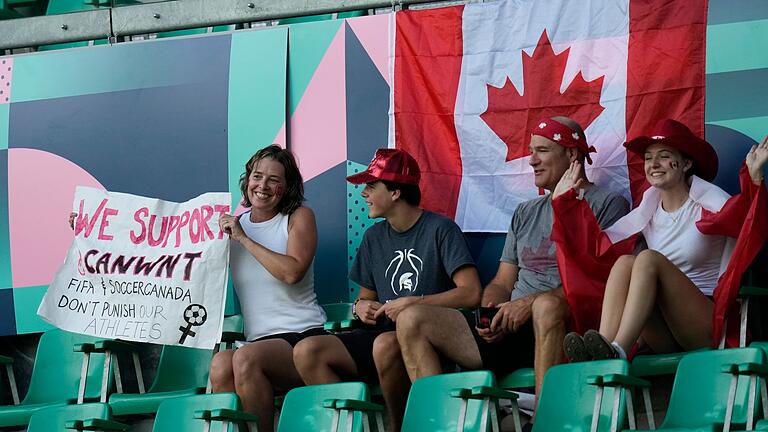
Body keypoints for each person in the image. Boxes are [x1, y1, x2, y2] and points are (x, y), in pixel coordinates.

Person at [394, 117, 629, 417]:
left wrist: (528, 304)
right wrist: (493, 307)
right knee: (411, 319)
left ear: (572, 155)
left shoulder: (607, 203)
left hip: (567, 324)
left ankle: (547, 420)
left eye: (542, 150)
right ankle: (444, 421)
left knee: (545, 306)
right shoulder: (525, 211)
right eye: (531, 151)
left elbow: (601, 281)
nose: (531, 160)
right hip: (511, 327)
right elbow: (504, 280)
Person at [292, 148, 482, 432]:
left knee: (384, 344)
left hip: (423, 339)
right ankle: (359, 426)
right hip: (376, 335)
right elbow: (365, 299)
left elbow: (471, 293)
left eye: (371, 185)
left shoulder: (441, 228)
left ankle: (400, 425)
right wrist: (360, 308)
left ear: (395, 192)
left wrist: (414, 303)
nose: (363, 193)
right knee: (307, 351)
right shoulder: (373, 236)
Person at [557, 119, 768, 361]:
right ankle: (602, 349)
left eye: (664, 156)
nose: (653, 164)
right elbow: (597, 252)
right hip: (664, 333)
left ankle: (618, 350)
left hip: (707, 327)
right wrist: (567, 205)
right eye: (648, 158)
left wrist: (754, 179)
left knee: (647, 259)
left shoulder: (711, 202)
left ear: (686, 163)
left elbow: (749, 221)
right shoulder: (647, 209)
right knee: (625, 262)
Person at [207, 144, 327, 432]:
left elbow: (292, 272)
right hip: (257, 342)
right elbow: (170, 255)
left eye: (274, 180)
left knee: (246, 358)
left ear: (286, 187)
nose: (262, 185)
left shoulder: (299, 216)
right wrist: (91, 232)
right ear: (247, 179)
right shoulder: (231, 227)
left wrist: (244, 238)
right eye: (257, 176)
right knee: (220, 365)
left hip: (303, 339)